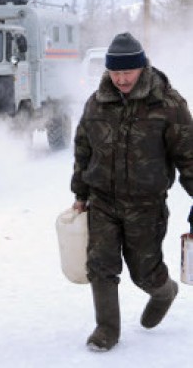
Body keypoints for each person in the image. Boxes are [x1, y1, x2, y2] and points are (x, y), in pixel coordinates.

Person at [71, 32, 193, 351]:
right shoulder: (97, 102)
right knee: (100, 264)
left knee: (144, 272)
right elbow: (83, 149)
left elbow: (188, 154)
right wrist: (80, 193)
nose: (122, 79)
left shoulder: (168, 103)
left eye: (128, 72)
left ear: (141, 68)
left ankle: (164, 291)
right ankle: (106, 329)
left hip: (146, 204)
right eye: (115, 72)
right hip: (103, 201)